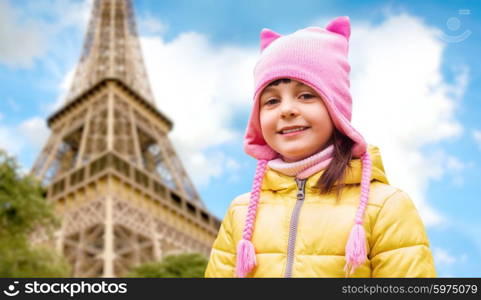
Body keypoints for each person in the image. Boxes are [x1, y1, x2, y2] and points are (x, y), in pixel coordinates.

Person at [204, 16, 436, 278]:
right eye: (271, 101)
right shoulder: (241, 211)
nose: (287, 110)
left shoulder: (386, 206)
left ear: (336, 108)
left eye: (306, 95)